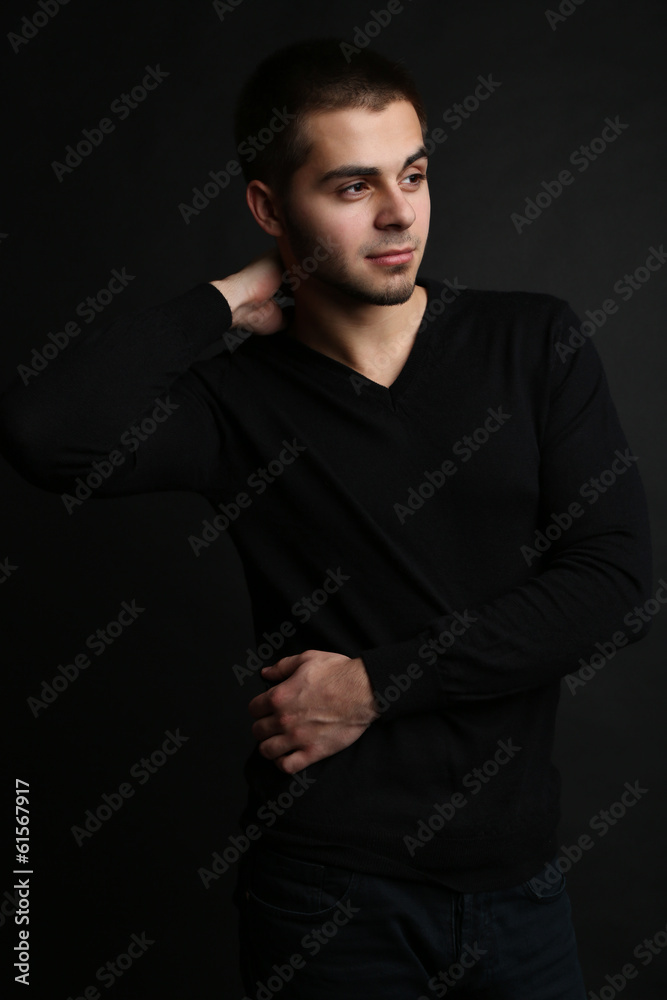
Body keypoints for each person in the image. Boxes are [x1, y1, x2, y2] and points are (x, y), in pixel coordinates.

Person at [0, 37, 653, 999]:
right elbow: (42, 431)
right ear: (270, 208)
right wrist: (227, 298)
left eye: (414, 174)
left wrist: (377, 685)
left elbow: (615, 585)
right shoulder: (237, 405)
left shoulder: (532, 340)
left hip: (520, 886)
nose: (399, 214)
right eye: (351, 189)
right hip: (328, 900)